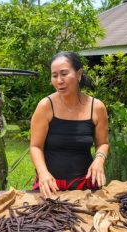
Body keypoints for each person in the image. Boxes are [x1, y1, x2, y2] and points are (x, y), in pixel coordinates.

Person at [30, 51, 109, 198]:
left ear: (79, 74)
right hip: (51, 185)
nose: (59, 80)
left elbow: (103, 143)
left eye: (64, 74)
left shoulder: (97, 107)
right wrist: (43, 173)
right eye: (54, 76)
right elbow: (35, 146)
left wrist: (99, 160)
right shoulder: (45, 106)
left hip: (86, 185)